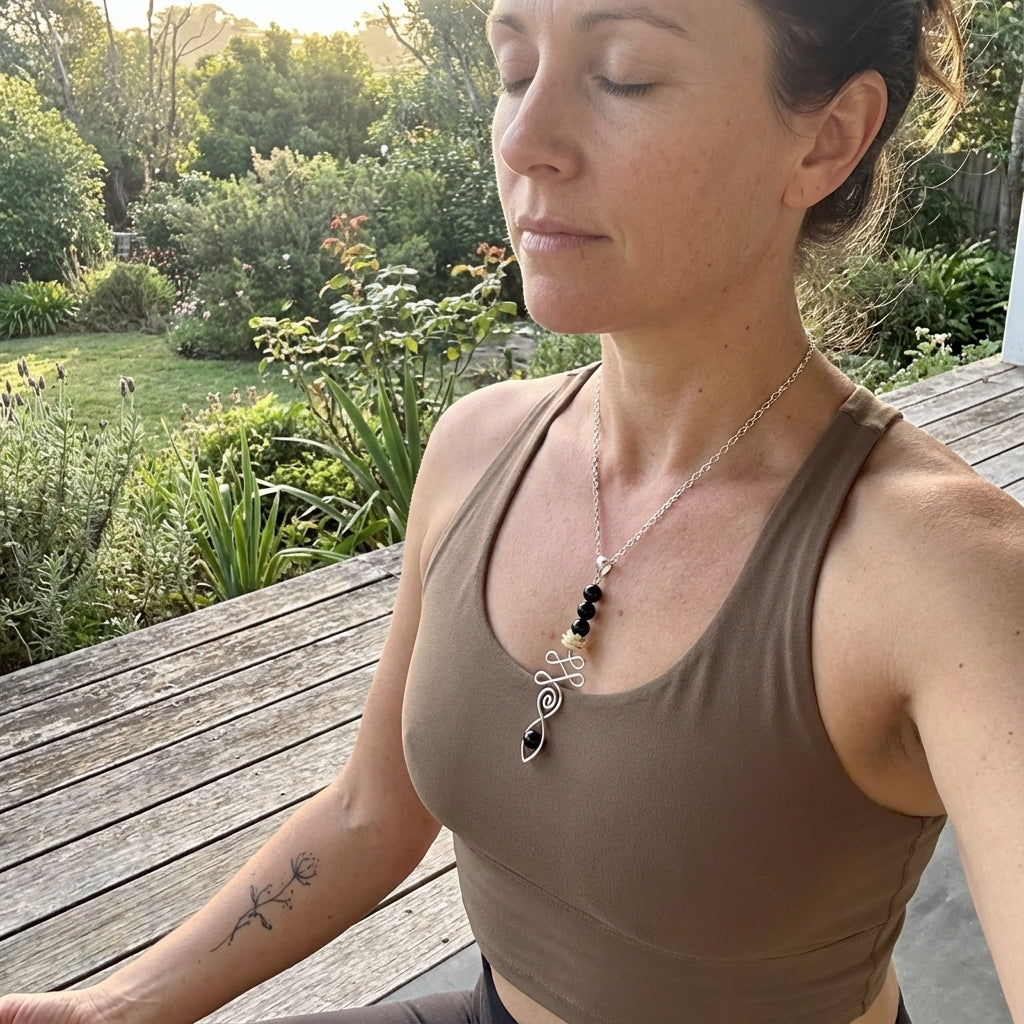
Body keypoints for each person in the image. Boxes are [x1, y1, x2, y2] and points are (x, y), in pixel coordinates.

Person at [2, 0, 1022, 1022]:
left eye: (622, 74)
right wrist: (119, 1003)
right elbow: (370, 814)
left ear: (826, 136)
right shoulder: (476, 448)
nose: (525, 141)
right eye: (512, 67)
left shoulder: (938, 569)